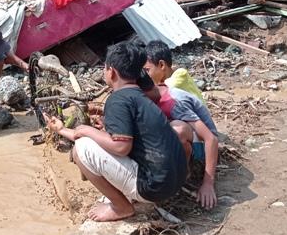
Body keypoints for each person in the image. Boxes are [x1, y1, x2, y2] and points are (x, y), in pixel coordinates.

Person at [46, 41, 187, 222]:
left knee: (80, 149)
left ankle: (121, 207)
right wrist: (64, 129)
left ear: (111, 71)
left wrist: (86, 130)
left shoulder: (118, 100)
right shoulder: (142, 97)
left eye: (105, 68)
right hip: (173, 182)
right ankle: (125, 195)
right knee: (95, 138)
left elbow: (121, 147)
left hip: (153, 188)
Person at [143, 41, 219, 209]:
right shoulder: (152, 93)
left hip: (203, 146)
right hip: (191, 135)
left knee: (176, 129)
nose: (144, 75)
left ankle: (184, 174)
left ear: (161, 65)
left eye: (147, 70)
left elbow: (211, 139)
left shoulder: (174, 99)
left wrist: (208, 183)